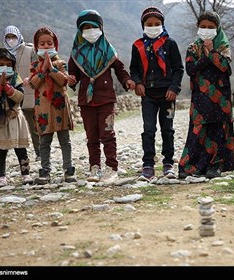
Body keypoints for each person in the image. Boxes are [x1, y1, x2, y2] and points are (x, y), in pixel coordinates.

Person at [68, 10, 135, 184]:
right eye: (86, 28)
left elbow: (120, 69)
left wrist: (126, 80)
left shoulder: (108, 50)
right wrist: (71, 80)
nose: (90, 31)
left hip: (106, 99)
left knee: (107, 134)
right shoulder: (76, 53)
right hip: (86, 100)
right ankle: (94, 168)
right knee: (91, 136)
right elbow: (72, 74)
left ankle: (112, 168)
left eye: (93, 27)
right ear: (80, 31)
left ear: (101, 28)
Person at [178, 11, 234, 179]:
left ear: (217, 28)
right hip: (200, 97)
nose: (206, 29)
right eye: (203, 26)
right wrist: (206, 57)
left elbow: (226, 68)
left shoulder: (223, 46)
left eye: (211, 27)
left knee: (218, 130)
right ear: (198, 28)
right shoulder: (193, 47)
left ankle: (216, 166)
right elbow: (190, 69)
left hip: (220, 96)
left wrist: (211, 52)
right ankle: (192, 166)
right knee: (198, 130)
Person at [130, 6, 184, 181]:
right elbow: (134, 69)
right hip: (148, 95)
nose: (153, 26)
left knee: (167, 130)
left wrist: (174, 88)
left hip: (167, 94)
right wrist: (138, 83)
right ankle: (148, 165)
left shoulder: (170, 44)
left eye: (157, 23)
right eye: (149, 24)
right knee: (149, 129)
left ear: (162, 24)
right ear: (143, 25)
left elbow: (178, 69)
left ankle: (168, 163)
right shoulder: (137, 46)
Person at [29, 27, 76, 185]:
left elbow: (63, 81)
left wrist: (52, 68)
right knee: (44, 142)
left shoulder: (62, 63)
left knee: (65, 141)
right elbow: (33, 84)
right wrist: (42, 70)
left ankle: (68, 170)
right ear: (37, 46)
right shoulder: (34, 65)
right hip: (43, 110)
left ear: (55, 44)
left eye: (49, 43)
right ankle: (45, 171)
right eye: (42, 43)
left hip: (60, 107)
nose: (46, 46)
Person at [0, 48, 34, 187]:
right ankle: (1, 177)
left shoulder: (16, 79)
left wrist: (8, 87)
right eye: (1, 64)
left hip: (15, 117)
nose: (5, 67)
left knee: (21, 147)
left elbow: (19, 96)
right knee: (0, 149)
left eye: (8, 64)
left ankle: (26, 174)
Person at [3, 25, 40, 161]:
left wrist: (30, 80)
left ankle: (39, 152)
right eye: (8, 37)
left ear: (19, 36)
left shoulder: (29, 51)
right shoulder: (3, 54)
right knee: (8, 125)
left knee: (33, 126)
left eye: (13, 36)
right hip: (10, 94)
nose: (11, 39)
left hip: (29, 93)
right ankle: (1, 154)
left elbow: (36, 70)